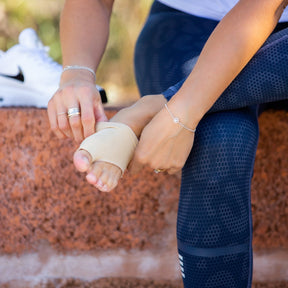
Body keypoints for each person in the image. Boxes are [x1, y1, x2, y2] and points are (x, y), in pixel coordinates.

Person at [48, 0, 288, 287]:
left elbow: (263, 7)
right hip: (187, 28)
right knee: (219, 138)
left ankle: (152, 109)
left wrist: (179, 111)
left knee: (195, 116)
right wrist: (77, 73)